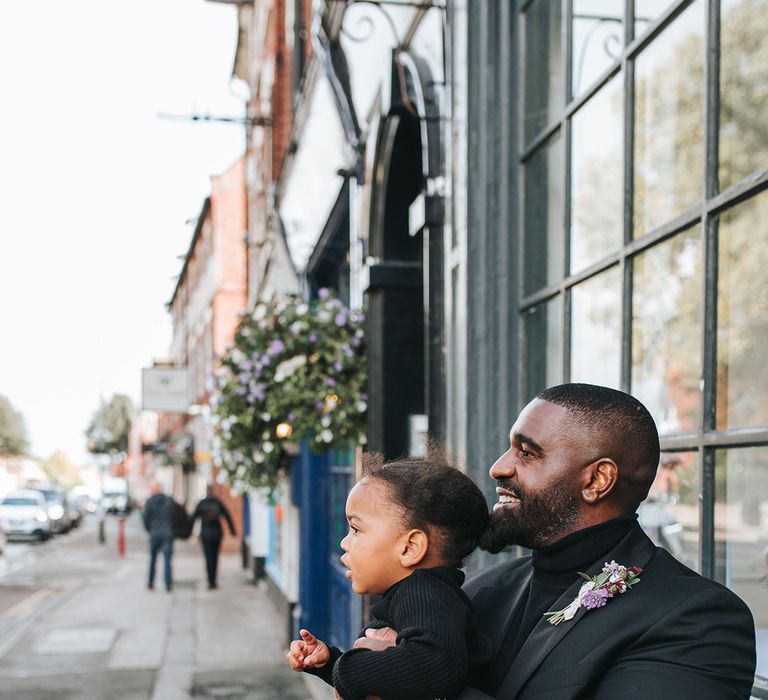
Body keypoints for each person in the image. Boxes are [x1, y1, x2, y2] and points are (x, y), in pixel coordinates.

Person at [358, 384, 757, 699]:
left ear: (596, 480)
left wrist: (419, 682)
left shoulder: (696, 621)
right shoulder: (478, 592)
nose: (499, 467)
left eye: (527, 453)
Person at [286, 459, 490, 700]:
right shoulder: (415, 592)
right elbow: (397, 677)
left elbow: (434, 666)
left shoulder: (425, 594)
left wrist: (346, 670)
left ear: (410, 547)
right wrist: (329, 662)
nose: (344, 543)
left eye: (356, 529)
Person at [190, 485, 236, 590]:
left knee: (208, 558)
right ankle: (214, 580)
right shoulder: (217, 502)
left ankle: (210, 580)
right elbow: (227, 516)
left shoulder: (202, 503)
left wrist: (187, 532)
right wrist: (232, 531)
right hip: (216, 534)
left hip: (206, 535)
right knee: (215, 558)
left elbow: (193, 518)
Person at [142, 482, 174, 592]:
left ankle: (151, 582)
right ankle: (168, 583)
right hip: (167, 533)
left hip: (154, 533)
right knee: (167, 560)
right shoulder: (169, 501)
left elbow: (145, 519)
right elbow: (174, 516)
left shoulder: (149, 502)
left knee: (153, 559)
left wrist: (150, 530)